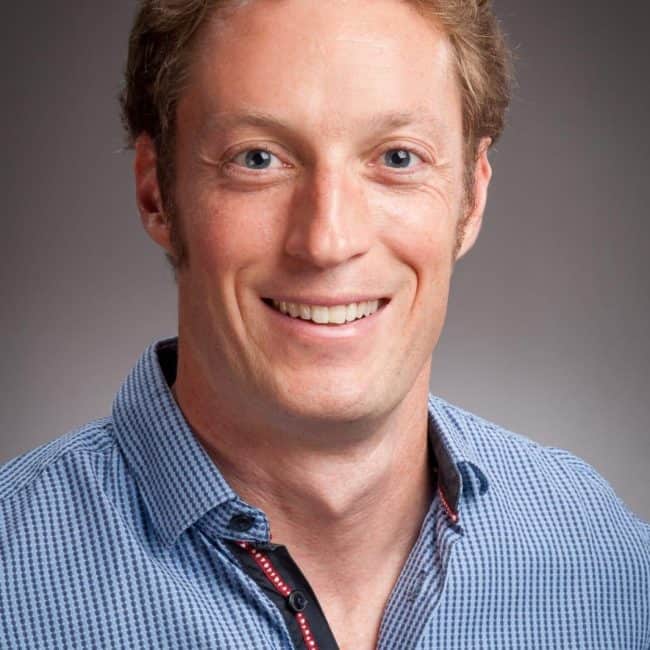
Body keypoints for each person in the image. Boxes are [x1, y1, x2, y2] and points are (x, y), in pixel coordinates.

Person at [1, 0, 648, 648]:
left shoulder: (607, 562)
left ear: (472, 197)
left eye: (398, 158)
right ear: (157, 194)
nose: (327, 241)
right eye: (258, 159)